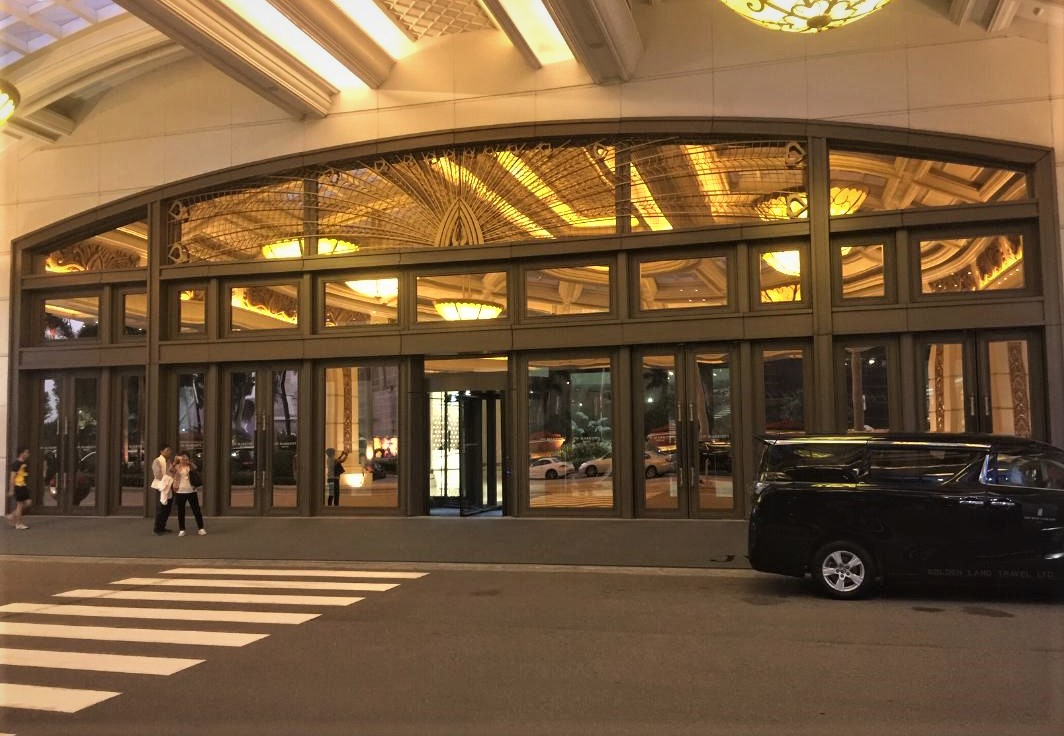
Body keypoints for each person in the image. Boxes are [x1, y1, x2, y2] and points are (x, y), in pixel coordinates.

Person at [171, 451, 206, 537]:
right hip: (180, 492)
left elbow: (196, 468)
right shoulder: (177, 467)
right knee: (181, 511)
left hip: (191, 491)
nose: (183, 459)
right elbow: (171, 470)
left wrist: (189, 462)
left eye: (185, 458)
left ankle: (201, 528)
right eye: (182, 458)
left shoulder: (191, 466)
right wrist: (175, 462)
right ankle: (182, 529)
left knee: (196, 510)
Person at [151, 443, 174, 535]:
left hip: (169, 487)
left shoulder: (169, 461)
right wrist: (168, 479)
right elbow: (157, 474)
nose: (169, 452)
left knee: (167, 508)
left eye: (170, 450)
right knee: (161, 508)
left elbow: (172, 472)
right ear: (161, 451)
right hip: (161, 486)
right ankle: (157, 528)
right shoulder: (157, 461)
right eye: (167, 450)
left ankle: (162, 526)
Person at [6, 447, 32, 530]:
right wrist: (11, 489)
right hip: (18, 486)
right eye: (26, 452)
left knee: (28, 502)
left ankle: (12, 515)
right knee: (19, 506)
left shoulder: (24, 463)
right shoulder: (16, 463)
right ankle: (18, 524)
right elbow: (12, 477)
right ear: (21, 453)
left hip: (23, 486)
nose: (28, 454)